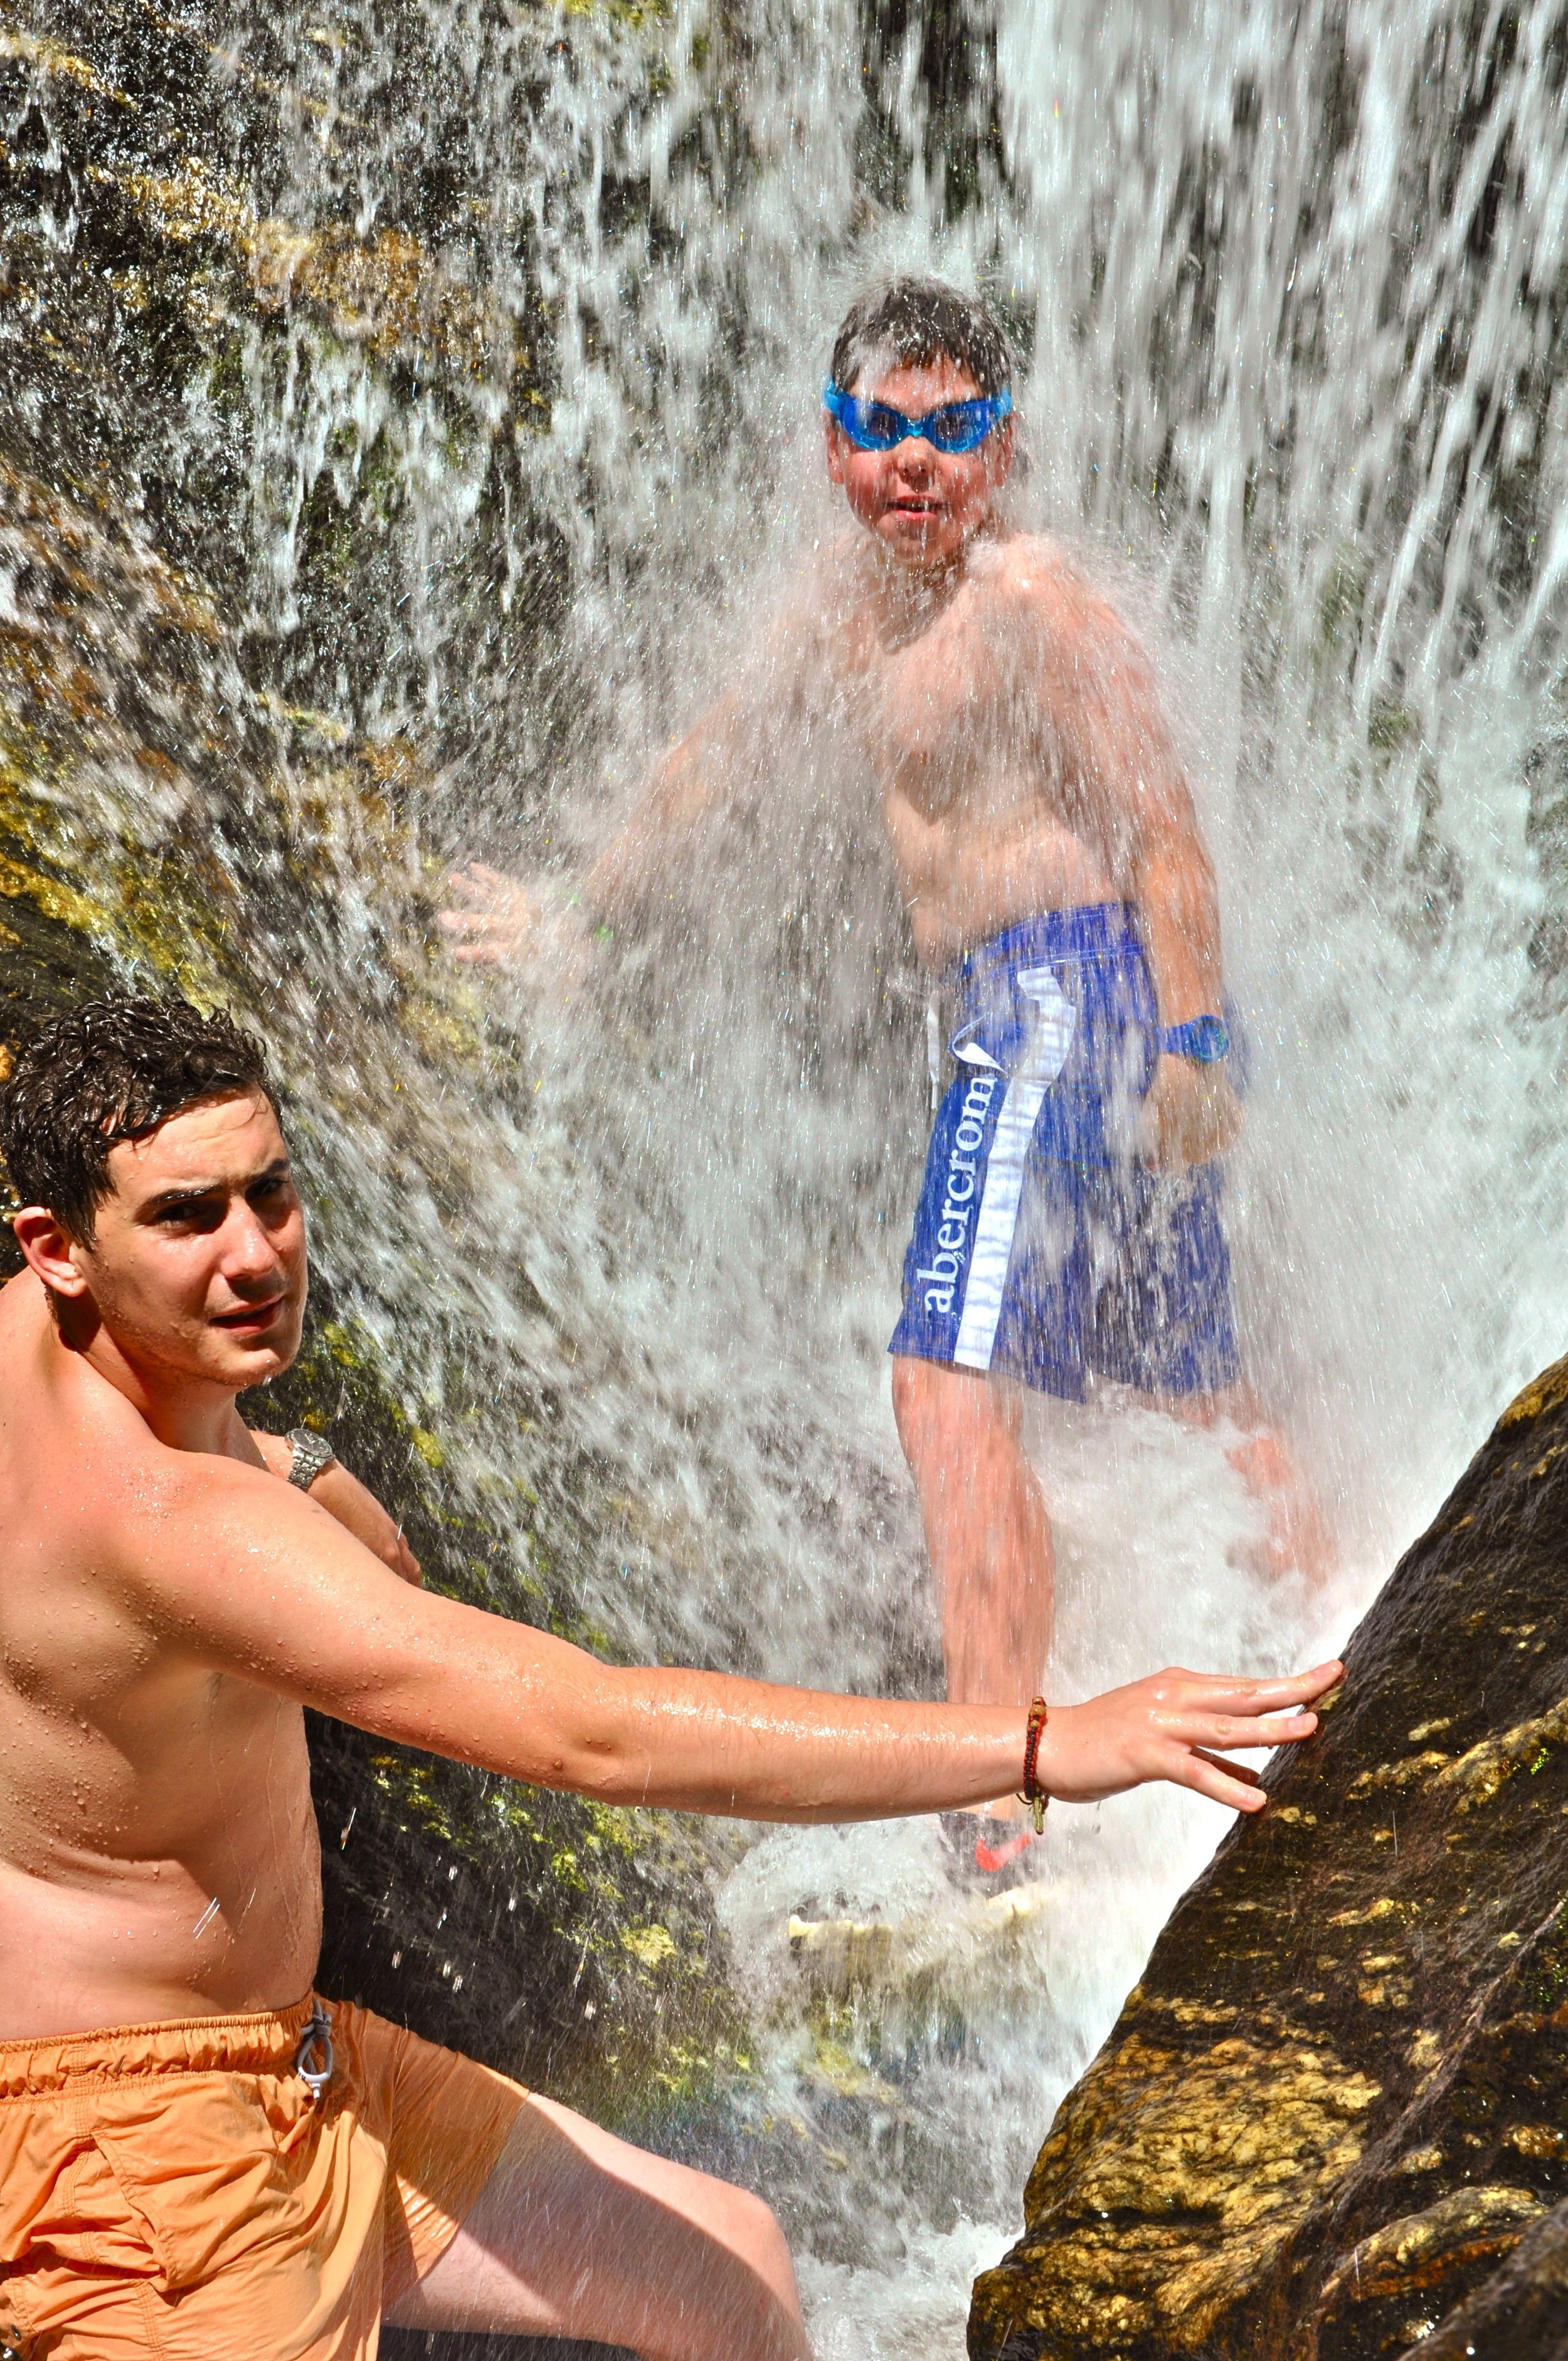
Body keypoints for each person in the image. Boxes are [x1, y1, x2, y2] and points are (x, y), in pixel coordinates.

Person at [0, 989, 1337, 2360]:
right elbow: (593, 1736)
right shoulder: (168, 1527)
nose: (254, 1255)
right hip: (141, 2162)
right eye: (185, 1218)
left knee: (725, 2273)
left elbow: (321, 1560)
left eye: (268, 1194)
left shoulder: (53, 1363)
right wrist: (1043, 1741)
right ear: (56, 1246)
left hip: (306, 2066)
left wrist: (287, 1456)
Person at [442, 275, 1323, 1877]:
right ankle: (1349, 1658)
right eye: (879, 430)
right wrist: (576, 910)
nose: (913, 464)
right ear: (831, 446)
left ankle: (992, 1810)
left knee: (941, 1380)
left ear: (1004, 448)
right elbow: (712, 758)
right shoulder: (843, 607)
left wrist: (1199, 1033)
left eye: (952, 430)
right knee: (1185, 1384)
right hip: (1042, 1011)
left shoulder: (1031, 599)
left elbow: (1163, 826)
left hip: (1066, 998)